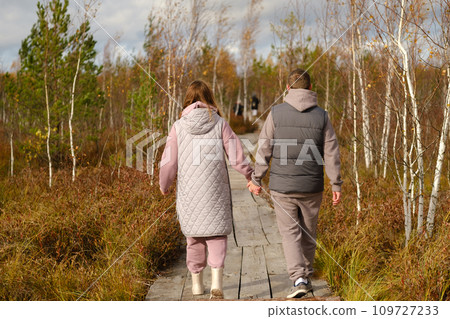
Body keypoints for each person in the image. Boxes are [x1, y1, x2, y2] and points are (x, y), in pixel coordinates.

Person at [247, 68, 343, 298]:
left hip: (282, 187)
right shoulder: (322, 115)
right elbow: (332, 152)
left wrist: (256, 178)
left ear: (288, 89)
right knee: (309, 232)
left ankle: (298, 278)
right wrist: (335, 184)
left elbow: (264, 148)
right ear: (310, 88)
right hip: (312, 187)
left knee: (290, 233)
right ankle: (306, 275)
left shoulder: (276, 113)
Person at [159, 80, 253, 299]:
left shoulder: (178, 127)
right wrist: (249, 174)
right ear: (209, 98)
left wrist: (164, 185)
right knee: (217, 236)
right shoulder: (220, 123)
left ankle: (196, 286)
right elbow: (236, 155)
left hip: (190, 195)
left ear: (188, 101)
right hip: (215, 193)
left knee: (193, 238)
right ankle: (216, 285)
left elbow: (168, 162)